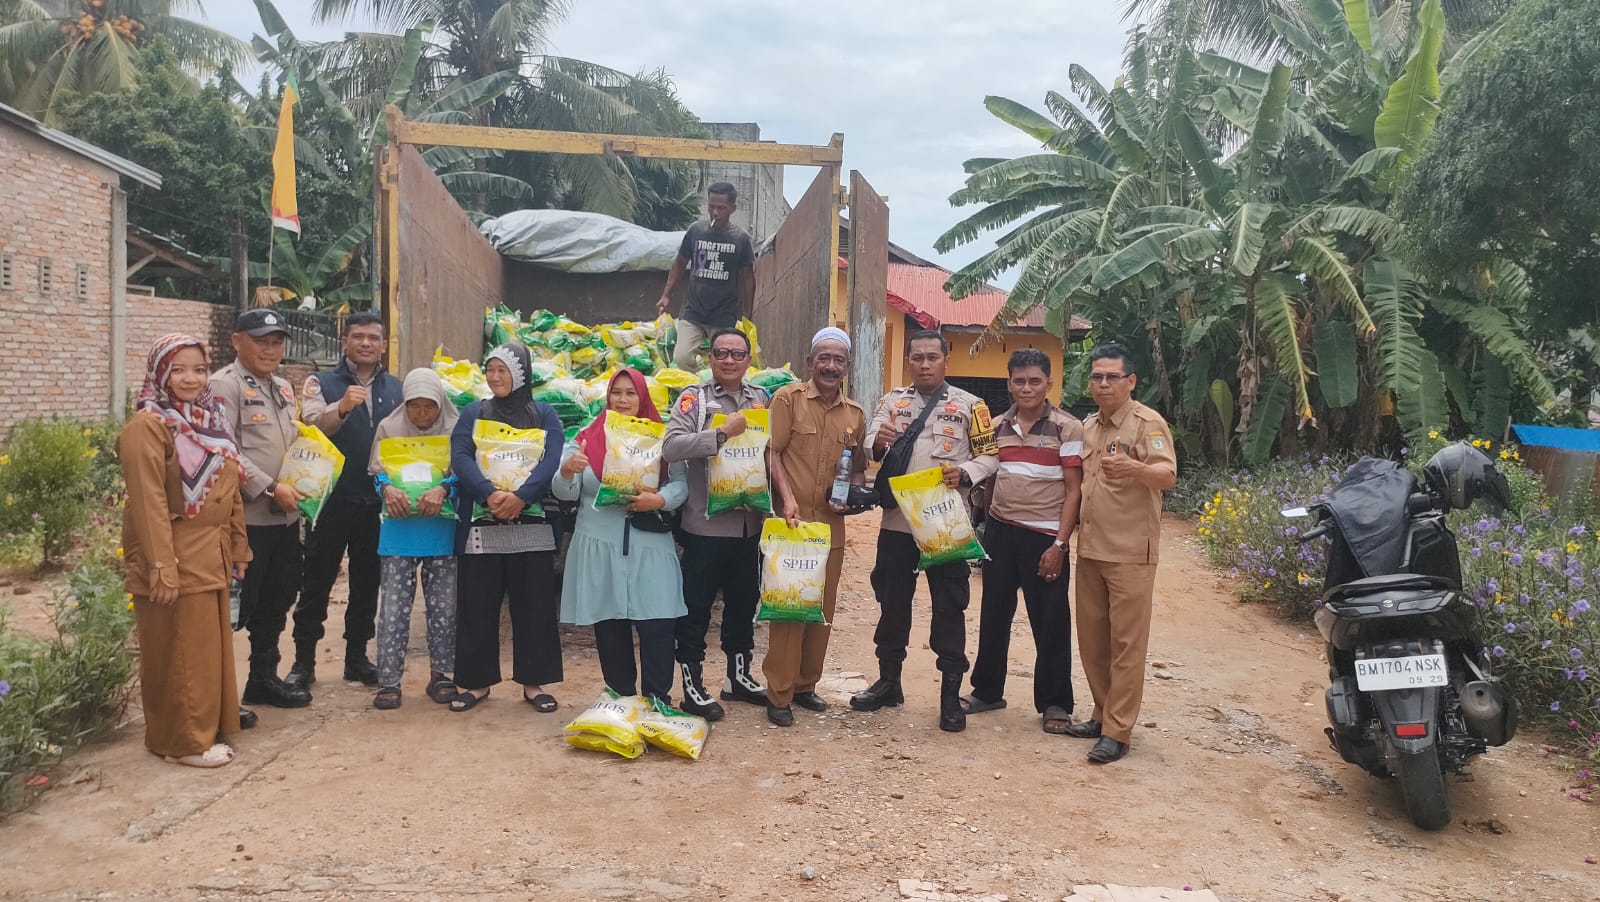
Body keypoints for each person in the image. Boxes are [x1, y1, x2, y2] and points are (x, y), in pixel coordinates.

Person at [851, 330, 999, 732]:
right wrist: (876, 445)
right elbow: (868, 445)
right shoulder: (891, 401)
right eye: (917, 357)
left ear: (946, 361)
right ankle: (888, 682)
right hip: (898, 522)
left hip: (944, 524)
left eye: (932, 357)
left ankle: (950, 696)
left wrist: (965, 472)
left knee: (950, 606)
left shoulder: (972, 406)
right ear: (909, 361)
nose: (925, 364)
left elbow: (990, 456)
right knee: (892, 600)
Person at [118, 335, 251, 767]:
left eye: (198, 369)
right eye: (178, 370)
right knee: (176, 649)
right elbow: (148, 504)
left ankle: (204, 725)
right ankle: (183, 742)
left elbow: (230, 487)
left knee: (203, 648)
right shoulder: (148, 427)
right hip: (173, 553)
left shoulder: (209, 420)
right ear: (160, 374)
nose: (190, 379)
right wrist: (161, 566)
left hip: (208, 552)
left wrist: (238, 546)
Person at [962, 349, 1084, 734]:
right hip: (1000, 531)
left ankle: (1055, 702)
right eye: (1019, 381)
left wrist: (1060, 546)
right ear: (1009, 383)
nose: (1026, 388)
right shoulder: (996, 427)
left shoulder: (1067, 428)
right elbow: (987, 476)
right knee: (994, 615)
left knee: (1050, 621)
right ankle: (987, 690)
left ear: (1049, 383)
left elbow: (1074, 490)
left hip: (1045, 538)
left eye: (1035, 381)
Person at [1068, 343, 1177, 764]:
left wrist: (1136, 470)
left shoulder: (1147, 424)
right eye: (1097, 376)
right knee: (1093, 641)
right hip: (1091, 549)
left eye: (1112, 376)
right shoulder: (1090, 427)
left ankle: (1118, 731)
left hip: (1131, 553)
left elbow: (1167, 475)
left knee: (1127, 644)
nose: (1103, 383)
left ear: (1130, 381)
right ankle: (1100, 712)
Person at [554, 369, 689, 703]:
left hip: (650, 546)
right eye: (617, 393)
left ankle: (658, 701)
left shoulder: (661, 438)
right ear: (608, 397)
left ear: (642, 397)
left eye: (631, 393)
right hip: (600, 545)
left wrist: (657, 500)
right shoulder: (585, 437)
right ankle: (622, 700)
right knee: (610, 628)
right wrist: (569, 469)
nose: (624, 400)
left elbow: (680, 485)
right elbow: (564, 492)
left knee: (658, 625)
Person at [448, 342, 565, 712]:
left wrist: (522, 497)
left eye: (503, 370)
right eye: (491, 370)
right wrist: (488, 494)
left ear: (521, 373)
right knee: (477, 606)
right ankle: (475, 682)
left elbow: (551, 457)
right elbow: (461, 455)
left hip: (529, 525)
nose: (495, 377)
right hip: (483, 526)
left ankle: (535, 683)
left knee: (534, 606)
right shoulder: (474, 413)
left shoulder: (544, 414)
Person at [662, 328, 771, 719]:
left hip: (749, 526)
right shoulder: (695, 399)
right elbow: (671, 446)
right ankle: (692, 685)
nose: (729, 360)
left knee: (744, 605)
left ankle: (737, 678)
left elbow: (773, 453)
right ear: (709, 358)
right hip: (704, 528)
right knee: (696, 610)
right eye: (721, 353)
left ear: (748, 360)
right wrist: (721, 432)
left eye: (737, 354)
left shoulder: (762, 399)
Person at [291, 312, 402, 688]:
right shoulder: (321, 382)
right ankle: (303, 662)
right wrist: (342, 407)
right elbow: (310, 428)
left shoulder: (396, 389)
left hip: (376, 501)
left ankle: (357, 657)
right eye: (358, 337)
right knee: (317, 580)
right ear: (345, 342)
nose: (366, 343)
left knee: (367, 582)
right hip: (331, 499)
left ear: (384, 345)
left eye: (374, 337)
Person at [762, 327, 867, 727]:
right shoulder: (788, 399)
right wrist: (786, 499)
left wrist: (856, 495)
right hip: (793, 526)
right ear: (810, 363)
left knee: (821, 609)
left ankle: (806, 685)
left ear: (846, 367)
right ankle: (779, 692)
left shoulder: (854, 414)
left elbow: (856, 469)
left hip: (831, 529)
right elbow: (773, 453)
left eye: (838, 360)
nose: (830, 365)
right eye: (823, 358)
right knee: (790, 607)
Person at [210, 309, 312, 712]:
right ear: (237, 341)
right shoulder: (224, 386)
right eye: (261, 341)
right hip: (248, 520)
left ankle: (262, 679)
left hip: (286, 518)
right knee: (236, 608)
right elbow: (223, 450)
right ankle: (219, 697)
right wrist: (270, 487)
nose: (270, 350)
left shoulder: (285, 388)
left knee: (276, 601)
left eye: (276, 342)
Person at [368, 369, 459, 710]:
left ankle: (443, 676)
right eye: (414, 406)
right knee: (392, 610)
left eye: (429, 407)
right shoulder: (389, 429)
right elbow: (377, 472)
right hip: (398, 531)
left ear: (441, 405)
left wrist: (444, 488)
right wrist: (387, 488)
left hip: (441, 530)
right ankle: (389, 683)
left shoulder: (455, 429)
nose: (421, 415)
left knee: (444, 608)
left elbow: (464, 473)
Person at [655, 182, 756, 371]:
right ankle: (697, 389)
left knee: (723, 363)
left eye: (721, 208)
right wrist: (666, 294)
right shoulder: (696, 231)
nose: (715, 213)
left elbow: (748, 278)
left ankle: (714, 392)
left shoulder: (740, 239)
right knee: (681, 357)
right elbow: (679, 262)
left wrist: (747, 314)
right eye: (711, 207)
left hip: (724, 315)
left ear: (732, 209)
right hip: (693, 311)